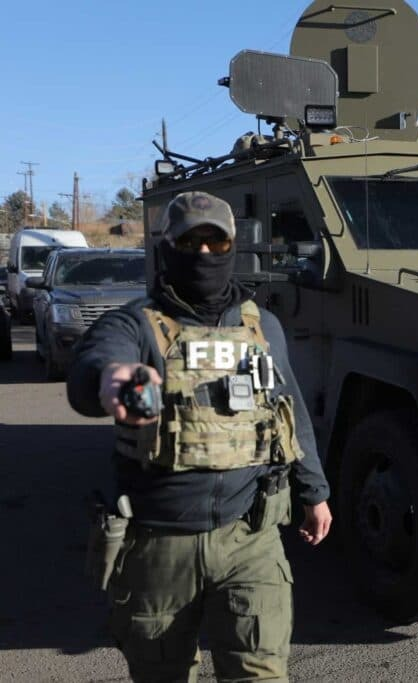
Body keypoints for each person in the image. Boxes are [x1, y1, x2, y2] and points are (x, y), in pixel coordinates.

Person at [66, 191, 332, 682]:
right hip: (158, 541)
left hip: (250, 537)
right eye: (190, 242)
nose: (205, 254)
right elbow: (94, 365)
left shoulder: (263, 327)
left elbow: (290, 414)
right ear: (168, 249)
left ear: (233, 247)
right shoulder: (137, 324)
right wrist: (112, 379)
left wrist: (315, 493)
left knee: (261, 674)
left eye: (215, 241)